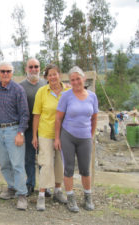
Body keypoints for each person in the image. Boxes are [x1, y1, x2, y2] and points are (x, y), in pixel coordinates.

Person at [55, 66, 98, 212]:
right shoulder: (66, 96)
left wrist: (91, 135)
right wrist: (57, 138)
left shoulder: (92, 96)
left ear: (83, 78)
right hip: (68, 135)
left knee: (85, 169)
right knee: (68, 168)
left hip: (85, 137)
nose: (75, 82)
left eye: (78, 79)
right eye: (72, 80)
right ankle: (71, 198)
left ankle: (88, 197)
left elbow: (94, 117)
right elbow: (58, 118)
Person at [32, 64, 69, 211]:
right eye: (50, 75)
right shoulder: (42, 92)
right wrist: (34, 135)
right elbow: (36, 115)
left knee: (60, 162)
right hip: (46, 133)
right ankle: (41, 194)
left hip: (64, 133)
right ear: (46, 78)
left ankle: (58, 191)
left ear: (60, 75)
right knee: (46, 162)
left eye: (55, 74)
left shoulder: (68, 91)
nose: (53, 77)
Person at [0, 62, 29, 210]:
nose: (5, 74)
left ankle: (22, 194)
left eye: (8, 71)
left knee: (17, 164)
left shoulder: (18, 90)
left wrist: (20, 132)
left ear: (12, 73)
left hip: (13, 130)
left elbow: (25, 114)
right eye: (3, 71)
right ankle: (11, 187)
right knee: (4, 163)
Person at [19, 58, 47, 196]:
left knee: (44, 159)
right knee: (29, 158)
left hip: (44, 130)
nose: (33, 69)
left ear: (39, 68)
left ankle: (44, 186)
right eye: (31, 67)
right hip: (28, 129)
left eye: (36, 66)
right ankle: (30, 184)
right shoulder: (20, 86)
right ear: (26, 69)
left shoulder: (45, 85)